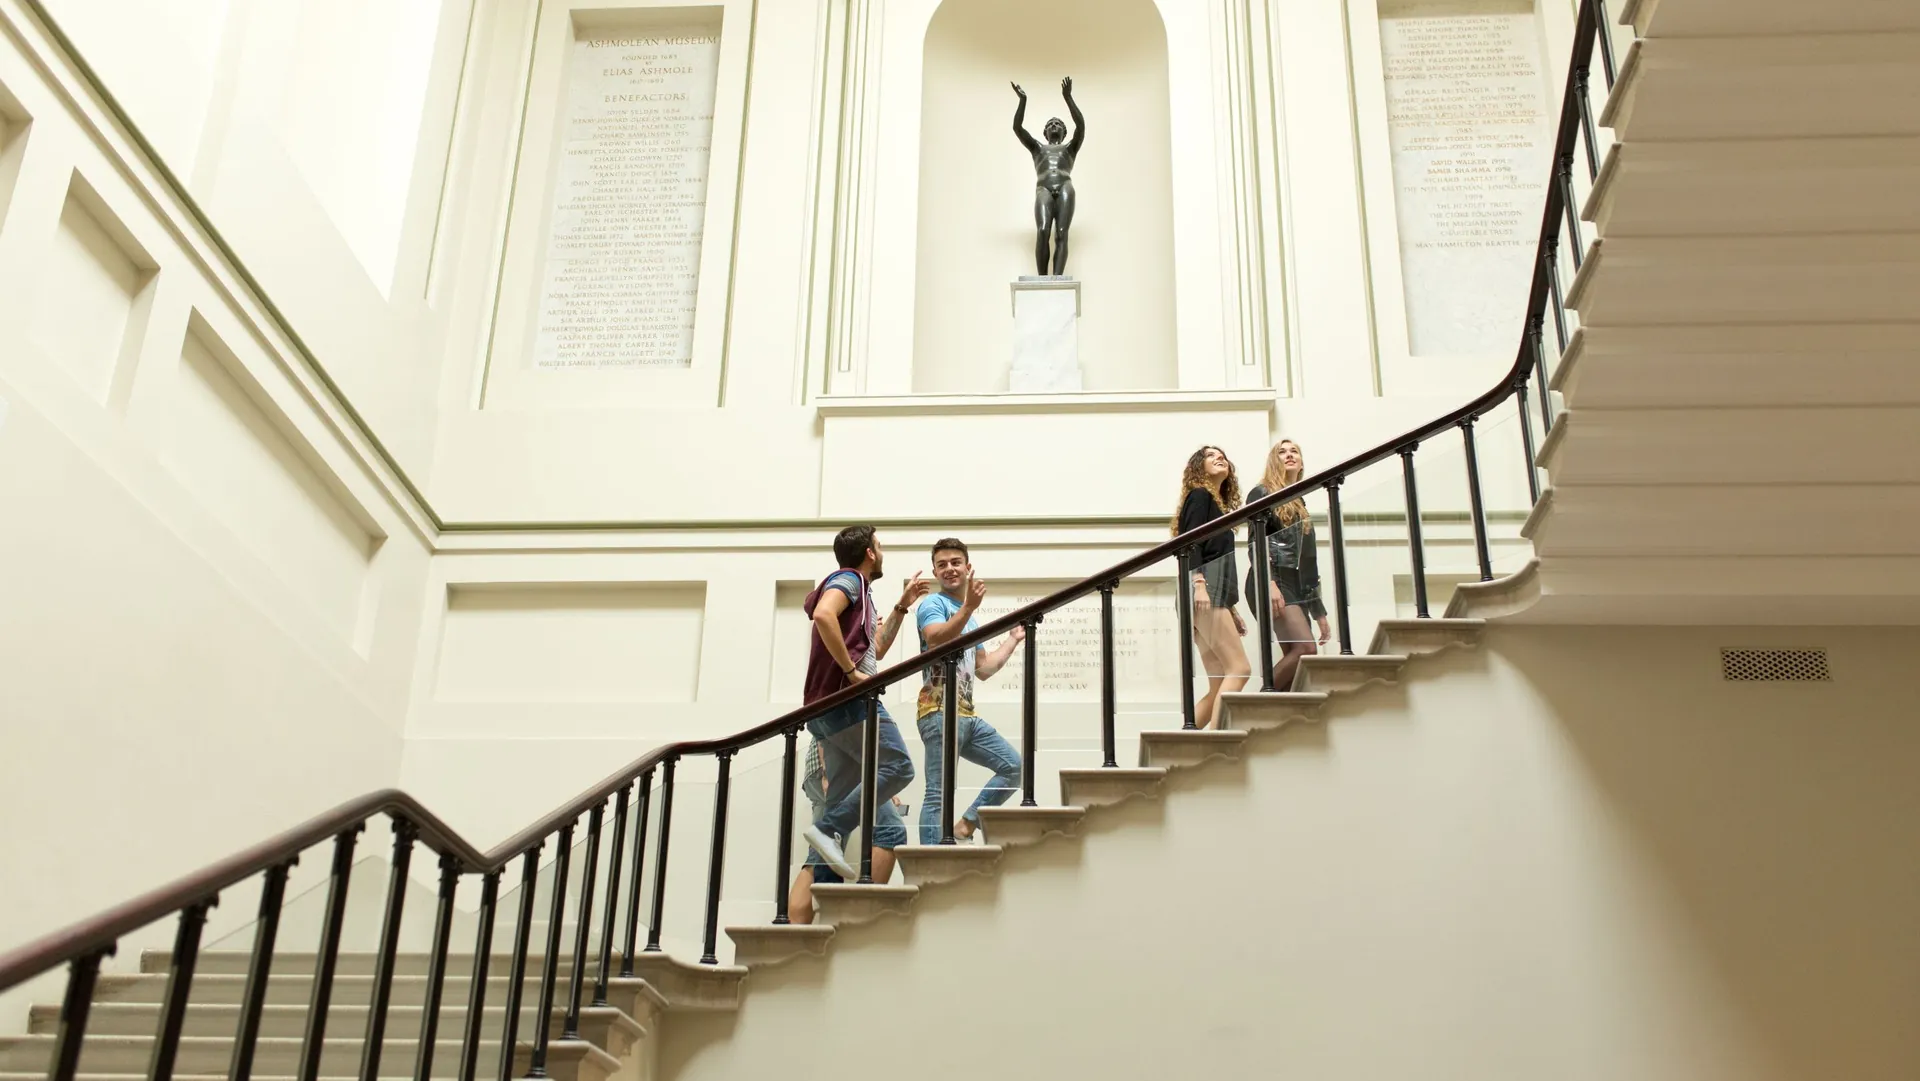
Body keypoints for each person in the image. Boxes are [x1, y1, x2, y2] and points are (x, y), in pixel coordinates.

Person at [799, 525, 930, 881]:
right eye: (879, 546)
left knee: (839, 796)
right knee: (899, 766)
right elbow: (823, 614)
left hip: (826, 709)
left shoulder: (862, 596)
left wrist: (902, 606)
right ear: (870, 553)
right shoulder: (850, 579)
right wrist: (850, 671)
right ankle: (828, 828)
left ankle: (826, 876)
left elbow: (878, 649)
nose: (882, 552)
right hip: (848, 700)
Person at [913, 539, 1025, 844]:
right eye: (942, 565)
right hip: (938, 711)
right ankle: (930, 861)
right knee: (938, 792)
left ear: (967, 567)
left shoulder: (969, 618)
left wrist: (1013, 640)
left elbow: (983, 668)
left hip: (966, 715)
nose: (949, 569)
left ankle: (965, 825)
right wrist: (968, 607)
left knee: (1014, 767)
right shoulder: (932, 605)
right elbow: (935, 639)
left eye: (955, 562)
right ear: (935, 573)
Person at [1243, 439, 1332, 692]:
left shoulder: (1300, 502)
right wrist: (1269, 582)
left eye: (1294, 451)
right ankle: (1253, 704)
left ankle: (1272, 711)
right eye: (1282, 452)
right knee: (1305, 649)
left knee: (1298, 662)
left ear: (1301, 463)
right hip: (1272, 578)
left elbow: (1308, 561)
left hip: (1295, 584)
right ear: (1274, 461)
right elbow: (1255, 543)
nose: (1289, 455)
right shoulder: (1262, 492)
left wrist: (1318, 611)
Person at [1173, 446, 1250, 729]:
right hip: (1203, 591)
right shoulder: (1200, 495)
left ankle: (1180, 744)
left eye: (1222, 455)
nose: (1219, 458)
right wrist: (1199, 584)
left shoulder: (1215, 505)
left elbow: (1216, 556)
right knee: (1240, 669)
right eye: (1210, 455)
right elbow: (1190, 542)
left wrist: (1231, 609)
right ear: (1198, 467)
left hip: (1209, 594)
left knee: (1219, 683)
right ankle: (1215, 742)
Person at [1010, 76, 1086, 276]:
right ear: (1045, 132)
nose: (1054, 125)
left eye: (1058, 124)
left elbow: (1081, 127)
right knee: (1043, 230)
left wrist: (1068, 98)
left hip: (1065, 186)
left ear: (1064, 132)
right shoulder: (1038, 148)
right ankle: (1042, 280)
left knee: (1061, 233)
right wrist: (1022, 101)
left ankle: (1057, 279)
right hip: (1043, 187)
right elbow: (1017, 128)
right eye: (1050, 124)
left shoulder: (1070, 149)